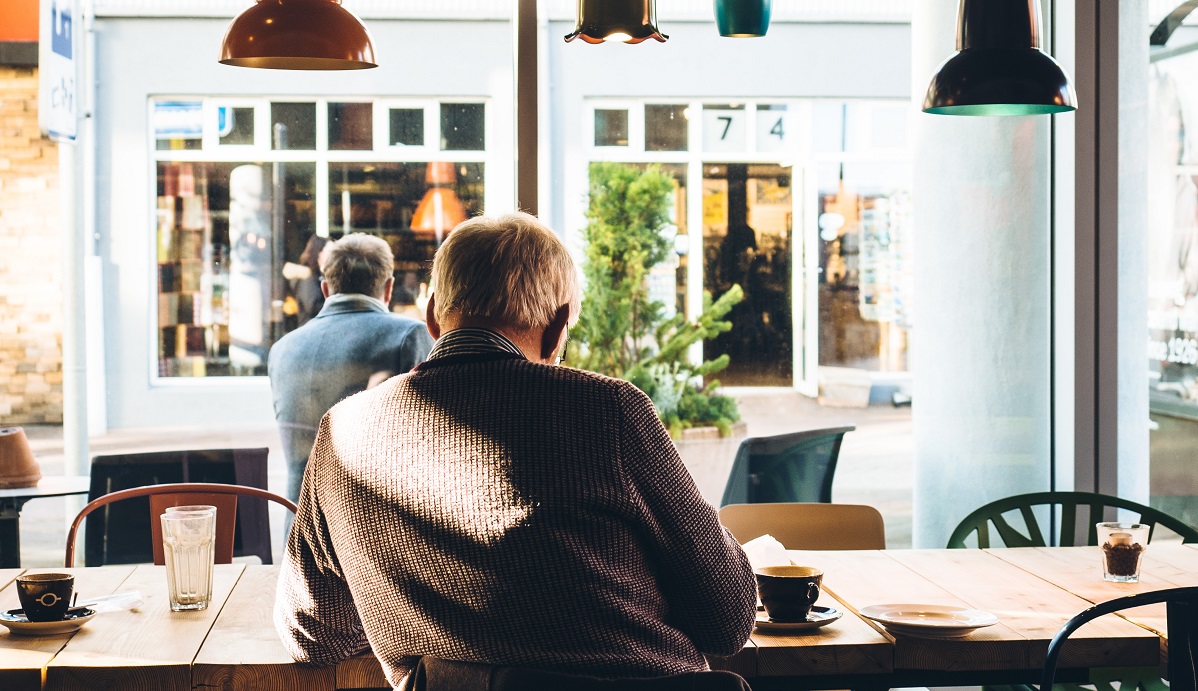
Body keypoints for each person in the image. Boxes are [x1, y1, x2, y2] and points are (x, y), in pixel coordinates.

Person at [274, 212, 757, 688]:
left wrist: (406, 608)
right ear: (558, 327)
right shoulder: (609, 411)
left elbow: (313, 635)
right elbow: (728, 619)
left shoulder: (343, 432)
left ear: (433, 316)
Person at [267, 233, 433, 505]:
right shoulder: (409, 336)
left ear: (325, 289)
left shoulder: (282, 349)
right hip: (372, 522)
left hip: (298, 522)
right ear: (389, 288)